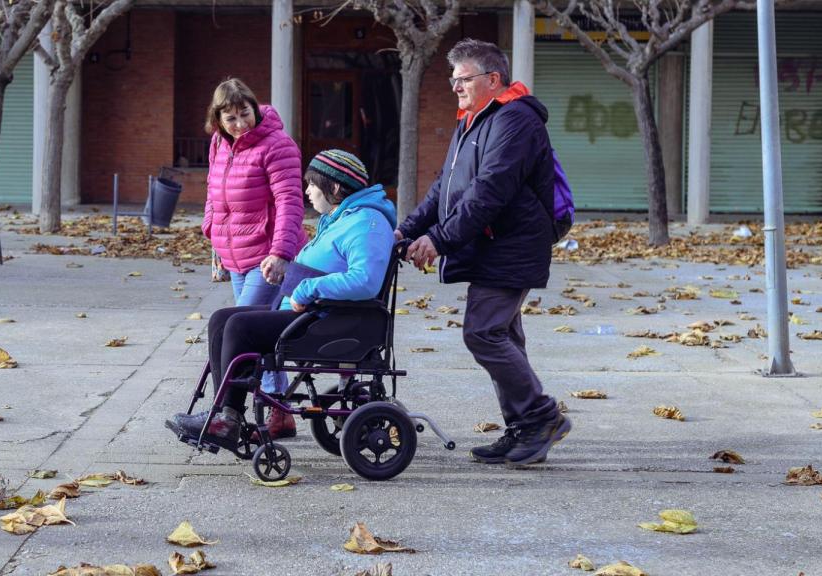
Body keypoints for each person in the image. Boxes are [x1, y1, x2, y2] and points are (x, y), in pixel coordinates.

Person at [395, 38, 571, 465]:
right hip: (491, 244)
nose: (455, 87)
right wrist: (406, 229)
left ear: (493, 79)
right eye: (452, 80)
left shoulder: (516, 121)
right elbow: (444, 188)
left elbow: (489, 192)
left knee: (483, 332)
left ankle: (541, 417)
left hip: (513, 245)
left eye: (463, 79)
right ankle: (524, 430)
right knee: (504, 336)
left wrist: (438, 239)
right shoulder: (473, 120)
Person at [167, 150, 396, 449]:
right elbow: (330, 264)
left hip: (328, 321)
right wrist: (288, 274)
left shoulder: (367, 222)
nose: (307, 191)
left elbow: (365, 281)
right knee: (222, 319)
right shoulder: (342, 217)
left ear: (336, 188)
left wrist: (304, 289)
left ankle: (227, 420)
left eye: (313, 184)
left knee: (239, 325)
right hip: (313, 313)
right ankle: (225, 414)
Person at [203, 78, 307, 438]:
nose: (239, 124)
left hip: (267, 256)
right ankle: (280, 413)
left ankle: (228, 414)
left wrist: (281, 253)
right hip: (234, 256)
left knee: (240, 332)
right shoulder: (219, 143)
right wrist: (213, 240)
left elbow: (290, 202)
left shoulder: (277, 145)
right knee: (262, 334)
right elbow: (214, 196)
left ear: (255, 108)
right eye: (230, 118)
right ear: (217, 120)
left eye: (244, 114)